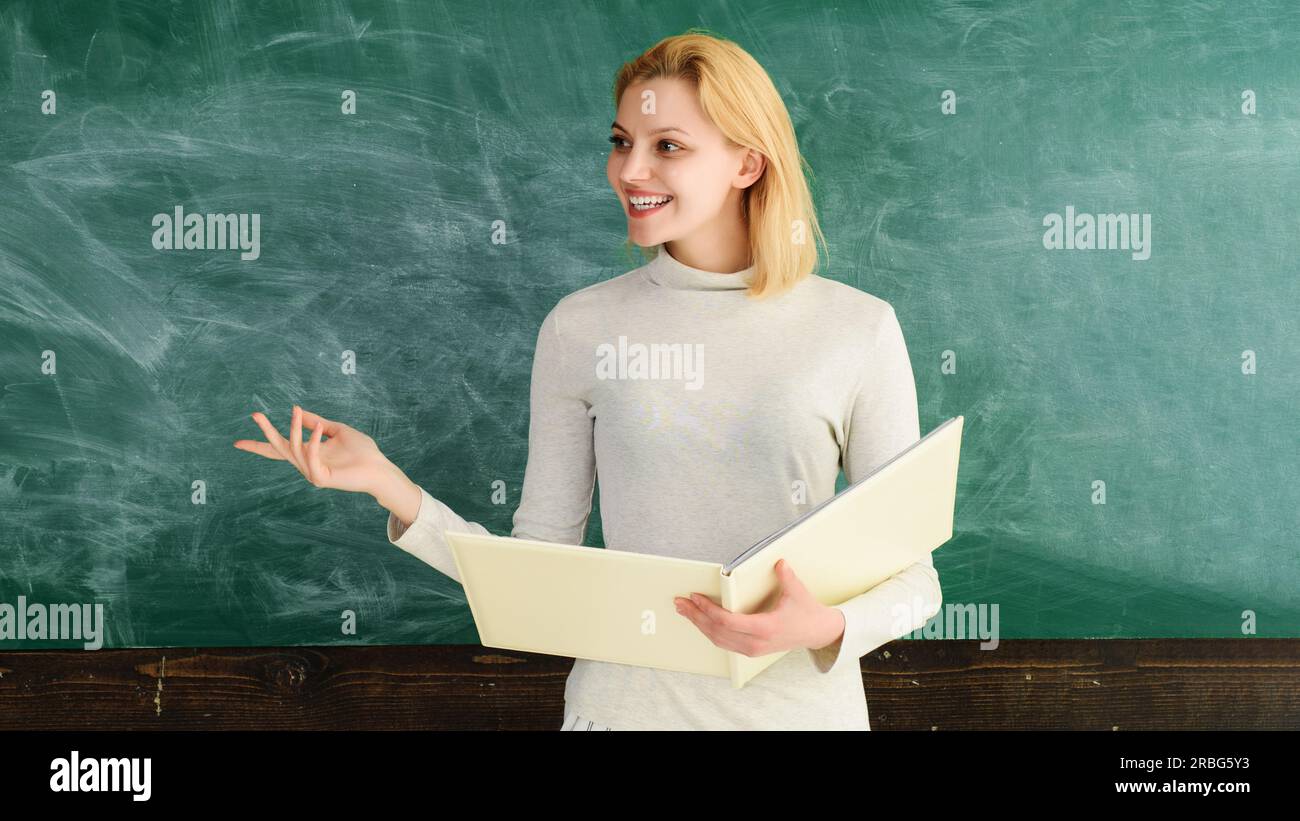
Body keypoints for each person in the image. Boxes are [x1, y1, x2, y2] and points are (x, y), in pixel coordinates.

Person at [235, 30, 942, 731]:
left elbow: (916, 581)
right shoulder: (582, 328)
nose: (632, 169)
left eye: (668, 146)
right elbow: (537, 571)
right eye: (621, 141)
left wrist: (825, 625)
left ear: (747, 163)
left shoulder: (857, 329)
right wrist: (390, 486)